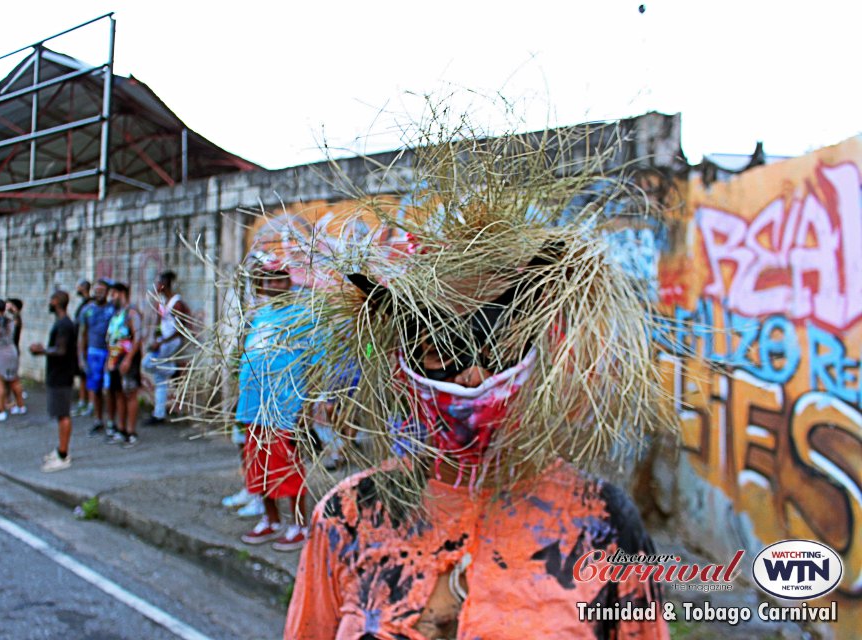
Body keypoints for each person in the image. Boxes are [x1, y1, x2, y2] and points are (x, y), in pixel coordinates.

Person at [280, 120, 671, 639]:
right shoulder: (349, 518)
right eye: (442, 349)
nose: (474, 375)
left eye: (500, 348)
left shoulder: (602, 522)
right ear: (403, 365)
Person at [235, 262, 311, 552]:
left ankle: (300, 524)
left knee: (288, 464)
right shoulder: (260, 315)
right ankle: (271, 519)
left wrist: (309, 404)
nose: (275, 286)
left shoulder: (302, 315)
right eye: (270, 281)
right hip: (253, 403)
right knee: (257, 464)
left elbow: (313, 363)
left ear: (289, 283)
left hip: (285, 403)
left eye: (281, 280)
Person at [29, 290, 78, 473]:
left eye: (51, 300)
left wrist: (41, 351)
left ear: (57, 302)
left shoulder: (64, 325)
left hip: (61, 376)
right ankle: (60, 449)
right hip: (59, 375)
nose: (49, 303)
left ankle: (63, 455)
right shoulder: (62, 323)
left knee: (63, 414)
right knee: (60, 415)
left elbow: (61, 350)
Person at [142, 270, 191, 425]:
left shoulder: (176, 303)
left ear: (165, 285)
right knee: (160, 379)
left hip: (171, 343)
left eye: (159, 283)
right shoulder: (161, 302)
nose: (156, 286)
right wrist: (156, 338)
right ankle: (159, 414)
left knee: (147, 363)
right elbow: (159, 324)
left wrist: (162, 342)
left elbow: (180, 330)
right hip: (162, 341)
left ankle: (174, 369)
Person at [104, 282, 144, 447]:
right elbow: (111, 339)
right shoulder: (116, 315)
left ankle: (131, 431)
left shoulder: (131, 313)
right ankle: (120, 429)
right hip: (115, 360)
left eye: (113, 294)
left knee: (130, 394)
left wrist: (128, 359)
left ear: (122, 294)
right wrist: (110, 359)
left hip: (128, 361)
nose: (111, 298)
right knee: (117, 393)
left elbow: (138, 337)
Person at [79, 279, 116, 437]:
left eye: (102, 291)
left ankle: (111, 421)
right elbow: (82, 335)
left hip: (108, 353)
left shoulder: (112, 310)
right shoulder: (87, 310)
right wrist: (81, 357)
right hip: (93, 353)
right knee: (96, 389)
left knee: (109, 388)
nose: (99, 294)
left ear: (108, 293)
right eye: (97, 291)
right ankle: (98, 419)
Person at [0, 298, 26, 422]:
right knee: (14, 379)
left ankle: (0, 410)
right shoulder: (11, 321)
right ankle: (20, 405)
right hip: (11, 350)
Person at [73, 280, 93, 416]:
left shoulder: (89, 304)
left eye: (79, 286)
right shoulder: (84, 304)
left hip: (88, 346)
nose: (77, 288)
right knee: (82, 374)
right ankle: (82, 401)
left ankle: (90, 403)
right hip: (81, 345)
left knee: (88, 374)